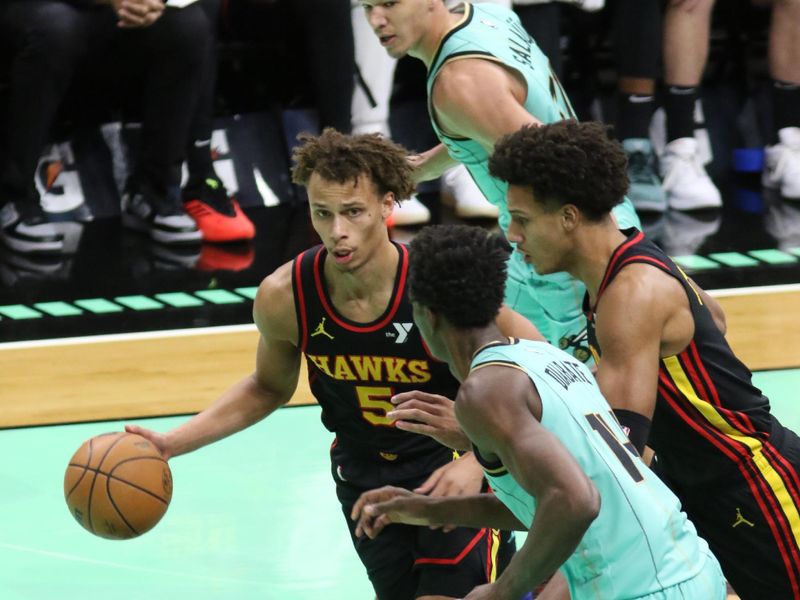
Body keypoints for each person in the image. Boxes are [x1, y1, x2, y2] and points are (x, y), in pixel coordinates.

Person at [126, 129, 542, 600]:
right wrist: (172, 444)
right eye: (322, 213)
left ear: (389, 205)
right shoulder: (285, 295)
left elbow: (539, 365)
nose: (336, 230)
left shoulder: (436, 283)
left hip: (450, 468)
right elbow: (268, 386)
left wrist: (477, 459)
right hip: (363, 478)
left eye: (353, 212)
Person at [489, 119, 800, 599]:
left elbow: (618, 454)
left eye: (523, 219)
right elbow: (713, 319)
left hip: (756, 489)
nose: (512, 235)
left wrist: (499, 446)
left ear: (568, 217)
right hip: (707, 487)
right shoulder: (630, 262)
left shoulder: (630, 294)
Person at [353, 224, 725, 600]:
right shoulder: (543, 356)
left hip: (643, 588)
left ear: (427, 315)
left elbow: (576, 502)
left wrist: (502, 591)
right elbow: (548, 502)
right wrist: (430, 510)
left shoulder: (484, 391)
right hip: (688, 566)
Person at [360, 0, 640, 362]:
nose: (376, 20)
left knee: (598, 405)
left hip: (571, 257)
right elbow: (492, 120)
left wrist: (618, 259)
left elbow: (562, 162)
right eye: (367, 7)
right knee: (477, 352)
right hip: (551, 246)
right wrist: (425, 167)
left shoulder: (459, 82)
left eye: (389, 3)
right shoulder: (488, 13)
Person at [0, 0, 206, 253]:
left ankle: (154, 192)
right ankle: (14, 197)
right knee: (57, 26)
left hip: (110, 12)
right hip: (33, 10)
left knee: (187, 24)